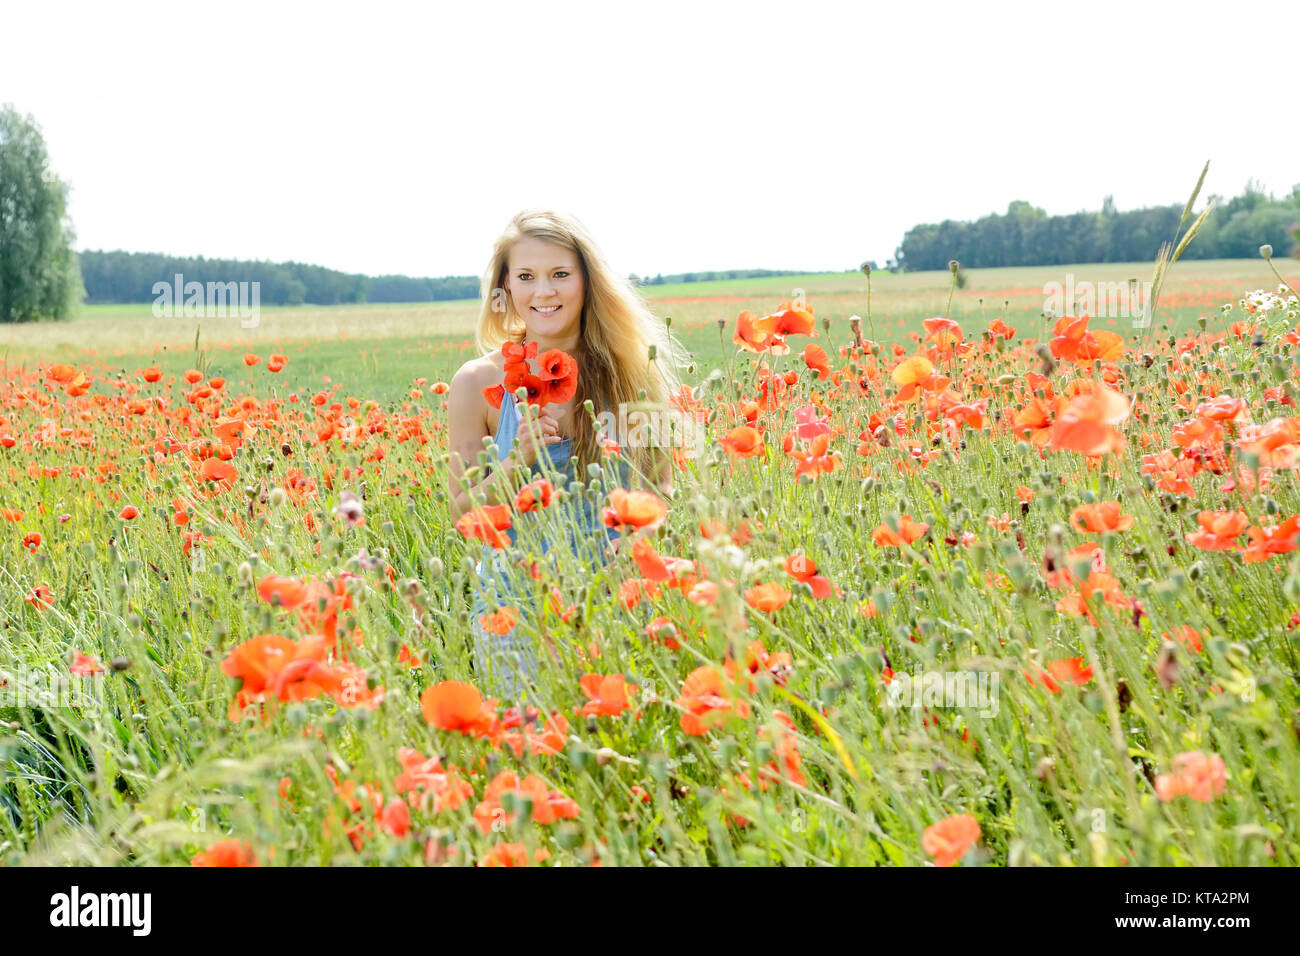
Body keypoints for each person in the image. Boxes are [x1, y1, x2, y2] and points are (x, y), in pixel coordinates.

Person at [446, 209, 689, 699]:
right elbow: (462, 510)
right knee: (532, 754)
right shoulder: (476, 383)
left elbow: (660, 488)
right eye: (527, 276)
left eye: (560, 274)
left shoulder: (633, 373)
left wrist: (634, 552)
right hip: (517, 609)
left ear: (587, 280)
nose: (545, 292)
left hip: (617, 595)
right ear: (506, 289)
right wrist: (518, 463)